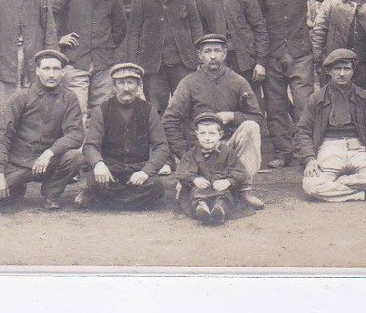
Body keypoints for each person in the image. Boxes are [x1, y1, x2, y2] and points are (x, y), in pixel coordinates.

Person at [162, 33, 265, 209]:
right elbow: (170, 120)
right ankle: (196, 188)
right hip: (198, 149)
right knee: (188, 197)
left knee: (250, 127)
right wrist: (185, 155)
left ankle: (243, 189)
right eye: (207, 51)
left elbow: (257, 117)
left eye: (217, 51)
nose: (212, 56)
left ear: (225, 54)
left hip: (228, 149)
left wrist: (234, 116)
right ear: (200, 56)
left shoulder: (238, 81)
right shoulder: (189, 83)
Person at [255, 0, 328, 168]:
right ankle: (283, 152)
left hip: (300, 53)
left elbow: (329, 0)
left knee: (304, 103)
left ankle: (306, 151)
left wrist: (317, 23)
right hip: (273, 54)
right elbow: (256, 20)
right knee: (275, 105)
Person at [0, 50, 85, 211]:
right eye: (46, 69)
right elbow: (2, 136)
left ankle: (51, 193)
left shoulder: (69, 98)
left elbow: (76, 134)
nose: (51, 74)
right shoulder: (21, 97)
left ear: (63, 72)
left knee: (75, 157)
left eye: (56, 69)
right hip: (19, 161)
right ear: (37, 71)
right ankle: (17, 188)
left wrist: (49, 153)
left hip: (49, 162)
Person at [295, 49, 366, 202]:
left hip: (359, 148)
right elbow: (303, 132)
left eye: (346, 68)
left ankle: (337, 185)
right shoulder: (316, 99)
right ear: (329, 71)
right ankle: (364, 194)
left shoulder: (365, 97)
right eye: (337, 69)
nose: (342, 73)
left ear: (353, 71)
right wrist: (310, 159)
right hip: (328, 148)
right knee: (311, 186)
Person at [49, 0, 128, 122]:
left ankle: (95, 148)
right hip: (75, 61)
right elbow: (46, 13)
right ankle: (77, 149)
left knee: (102, 114)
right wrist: (58, 38)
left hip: (103, 65)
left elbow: (120, 28)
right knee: (75, 113)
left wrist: (106, 46)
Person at [78, 62, 170, 210]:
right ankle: (126, 201)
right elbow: (90, 146)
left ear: (138, 85)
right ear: (114, 87)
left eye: (130, 83)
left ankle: (100, 199)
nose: (126, 88)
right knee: (96, 182)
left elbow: (162, 147)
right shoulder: (101, 110)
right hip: (110, 169)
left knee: (157, 187)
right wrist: (99, 164)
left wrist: (145, 172)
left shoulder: (149, 110)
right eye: (121, 83)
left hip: (137, 169)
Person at [125, 0, 203, 119]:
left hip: (183, 61)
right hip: (153, 64)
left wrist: (199, 58)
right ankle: (159, 143)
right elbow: (134, 32)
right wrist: (133, 65)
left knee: (186, 104)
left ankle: (187, 143)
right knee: (155, 109)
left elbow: (195, 25)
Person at [196, 0, 268, 84]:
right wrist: (201, 61)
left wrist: (261, 63)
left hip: (246, 61)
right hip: (217, 62)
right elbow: (199, 33)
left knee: (249, 101)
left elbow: (260, 30)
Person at [176, 113, 250, 226]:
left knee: (224, 196)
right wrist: (194, 179)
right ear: (197, 134)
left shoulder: (228, 152)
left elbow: (240, 172)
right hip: (200, 188)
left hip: (220, 187)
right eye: (202, 133)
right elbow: (182, 172)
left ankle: (219, 209)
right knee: (196, 195)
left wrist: (228, 181)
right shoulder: (191, 153)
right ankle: (202, 209)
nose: (207, 138)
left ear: (220, 135)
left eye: (211, 133)